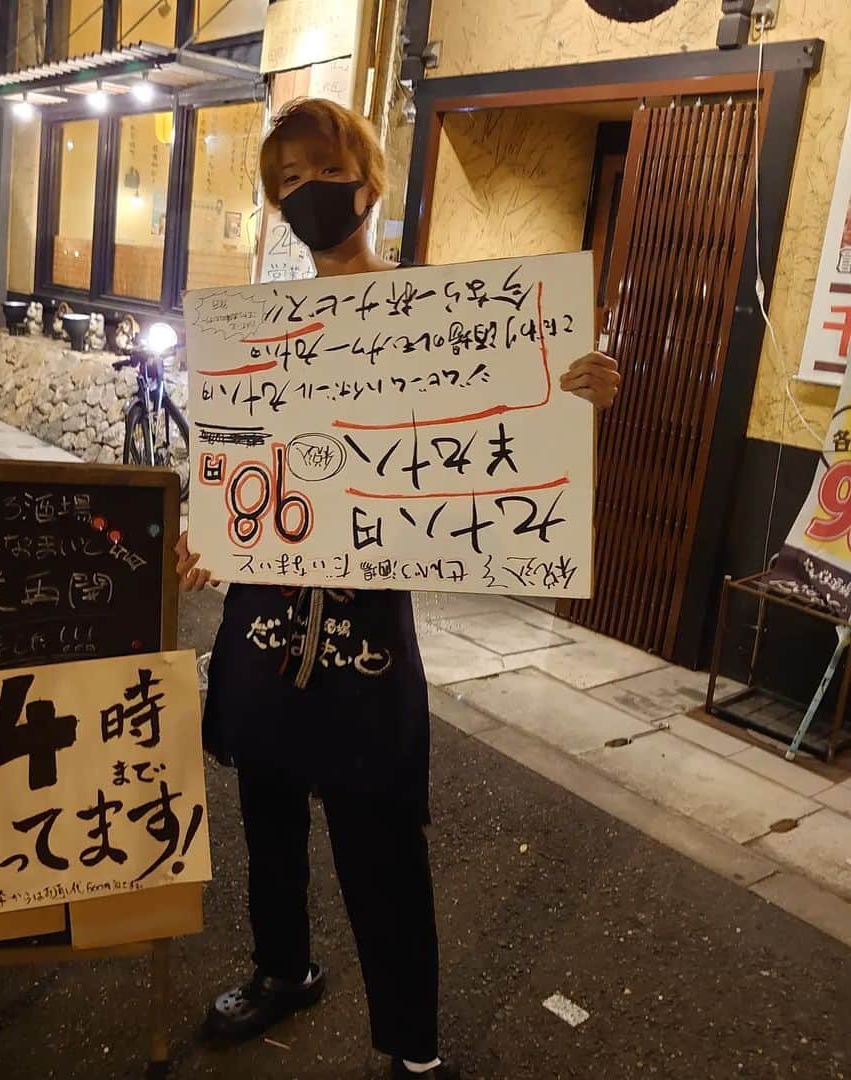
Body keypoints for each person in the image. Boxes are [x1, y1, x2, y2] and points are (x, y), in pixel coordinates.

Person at [175, 98, 621, 1079]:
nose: (304, 198)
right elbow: (239, 466)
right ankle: (282, 970)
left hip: (366, 634)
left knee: (379, 843)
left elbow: (496, 442)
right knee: (270, 818)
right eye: (285, 184)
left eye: (318, 176)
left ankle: (413, 1053)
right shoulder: (265, 326)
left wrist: (571, 389)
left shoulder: (430, 321)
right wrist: (203, 535)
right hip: (261, 620)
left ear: (367, 185)